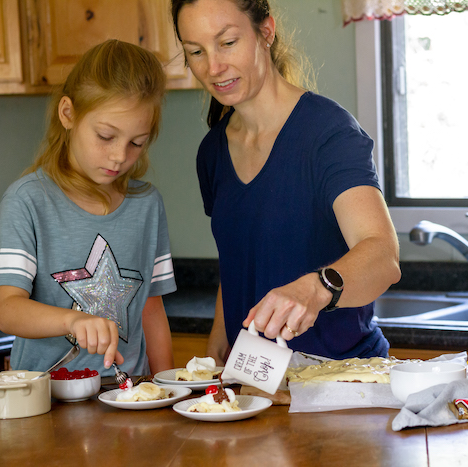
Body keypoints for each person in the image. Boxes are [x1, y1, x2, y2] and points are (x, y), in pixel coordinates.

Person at [171, 0, 402, 363]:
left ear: (265, 32)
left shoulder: (328, 133)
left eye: (227, 43)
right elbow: (238, 258)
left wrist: (317, 288)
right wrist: (219, 339)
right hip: (256, 384)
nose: (213, 67)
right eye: (196, 52)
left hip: (344, 380)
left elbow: (383, 257)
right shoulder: (212, 151)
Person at [0, 40, 176, 377]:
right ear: (68, 113)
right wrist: (72, 320)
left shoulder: (147, 205)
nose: (120, 156)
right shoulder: (27, 201)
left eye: (137, 142)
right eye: (105, 136)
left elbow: (151, 308)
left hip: (126, 396)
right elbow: (7, 309)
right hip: (46, 401)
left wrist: (170, 389)